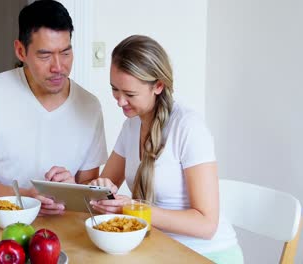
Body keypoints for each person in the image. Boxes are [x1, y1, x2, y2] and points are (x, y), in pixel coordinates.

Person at [89, 35, 243, 263]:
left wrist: (132, 208)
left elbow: (206, 225)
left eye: (130, 94)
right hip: (158, 250)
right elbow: (104, 185)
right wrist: (100, 190)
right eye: (115, 90)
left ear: (158, 85)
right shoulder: (130, 127)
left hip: (206, 254)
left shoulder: (189, 128)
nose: (120, 101)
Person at [0, 0, 107, 215]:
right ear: (20, 51)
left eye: (65, 53)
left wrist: (72, 188)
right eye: (45, 55)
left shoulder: (89, 106)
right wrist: (24, 199)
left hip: (59, 229)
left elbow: (88, 188)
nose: (58, 67)